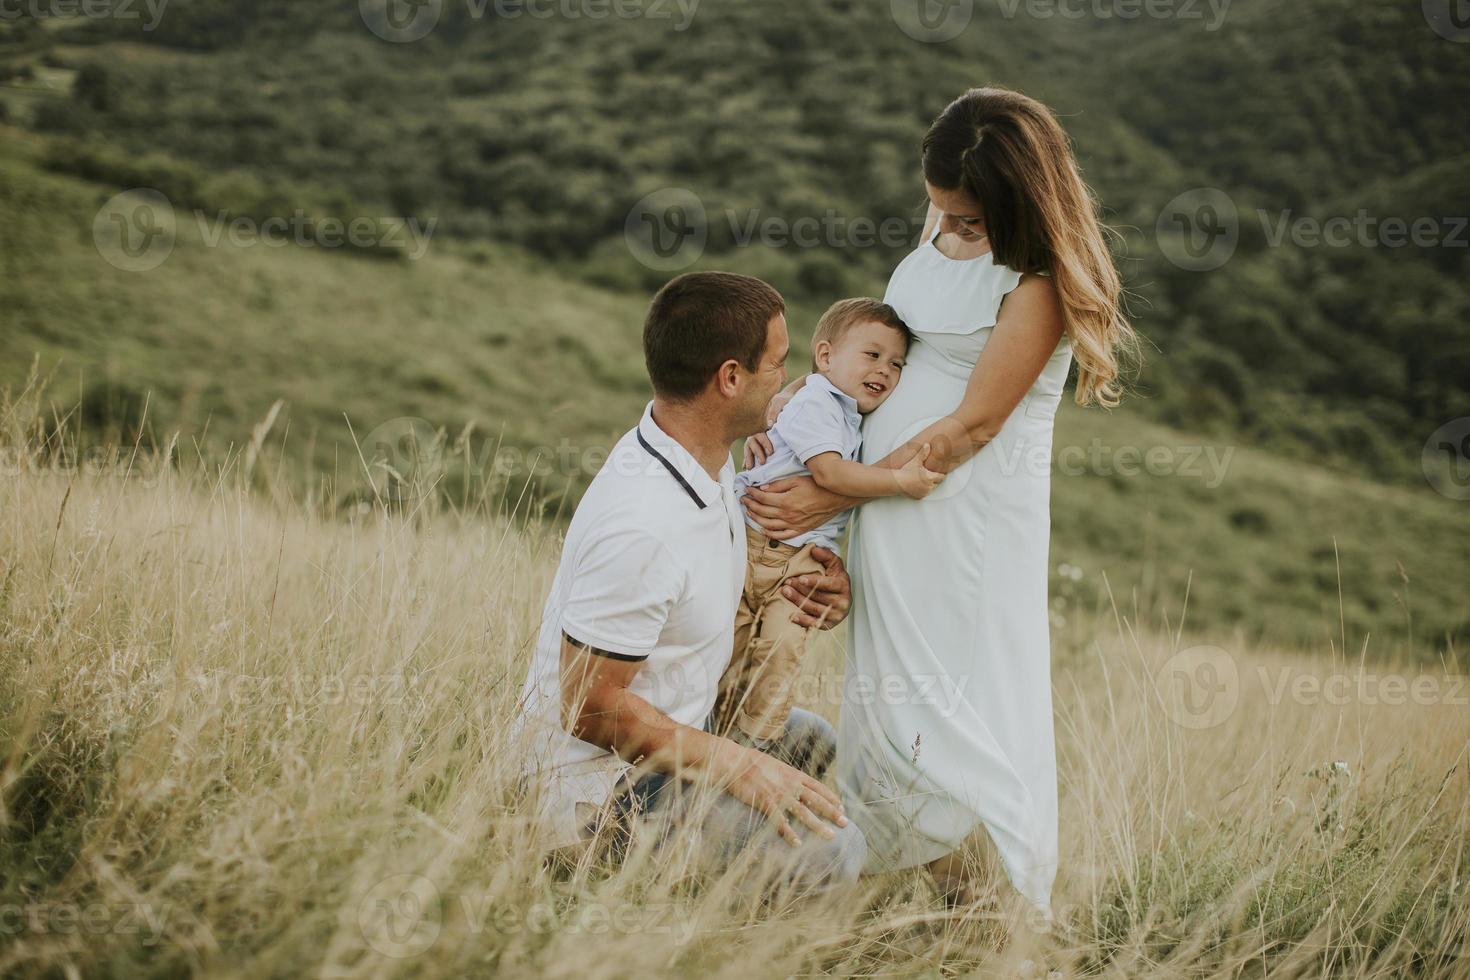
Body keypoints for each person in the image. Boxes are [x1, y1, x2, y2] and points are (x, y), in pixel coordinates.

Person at [741, 87, 1140, 915]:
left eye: (969, 223)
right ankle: (906, 882)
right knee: (885, 684)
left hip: (962, 513)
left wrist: (825, 493)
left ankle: (994, 901)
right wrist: (803, 426)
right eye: (941, 215)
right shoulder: (948, 221)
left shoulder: (1042, 282)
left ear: (1023, 204)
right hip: (889, 499)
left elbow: (969, 425)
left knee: (953, 691)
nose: (948, 233)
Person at [513, 271, 867, 896]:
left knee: (811, 740)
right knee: (834, 856)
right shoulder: (643, 524)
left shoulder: (705, 454)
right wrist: (737, 763)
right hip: (598, 792)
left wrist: (814, 582)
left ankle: (704, 874)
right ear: (730, 379)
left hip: (678, 728)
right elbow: (587, 705)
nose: (788, 380)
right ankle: (597, 876)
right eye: (777, 365)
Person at [713, 298, 944, 748]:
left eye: (897, 364)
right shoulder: (818, 400)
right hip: (754, 544)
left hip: (800, 561)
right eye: (872, 355)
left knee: (779, 652)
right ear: (825, 356)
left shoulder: (844, 409)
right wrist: (901, 480)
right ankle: (719, 741)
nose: (885, 370)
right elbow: (830, 474)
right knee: (731, 649)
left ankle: (753, 746)